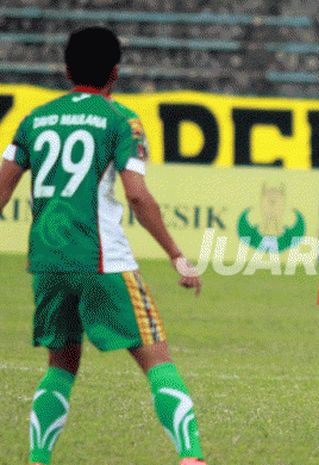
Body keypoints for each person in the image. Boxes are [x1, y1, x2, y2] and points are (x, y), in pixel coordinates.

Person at [0, 27, 208, 464]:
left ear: (65, 69)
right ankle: (191, 458)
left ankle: (39, 459)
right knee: (158, 361)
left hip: (48, 261)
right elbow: (136, 195)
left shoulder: (33, 119)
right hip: (103, 260)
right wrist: (176, 256)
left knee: (61, 366)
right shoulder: (120, 120)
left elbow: (2, 187)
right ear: (115, 72)